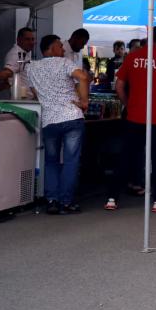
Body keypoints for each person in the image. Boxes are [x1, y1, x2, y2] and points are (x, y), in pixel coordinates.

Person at [105, 26, 156, 212]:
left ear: (148, 38)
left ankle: (112, 198)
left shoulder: (132, 57)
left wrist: (128, 104)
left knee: (126, 156)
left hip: (134, 115)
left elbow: (119, 85)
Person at [25, 35, 90, 215]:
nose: (63, 49)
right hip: (71, 118)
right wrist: (84, 101)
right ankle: (66, 202)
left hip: (49, 121)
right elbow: (83, 77)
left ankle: (52, 201)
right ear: (52, 48)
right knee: (71, 161)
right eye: (60, 46)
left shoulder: (31, 67)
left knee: (51, 161)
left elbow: (35, 93)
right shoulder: (65, 63)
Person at [3, 27, 36, 98]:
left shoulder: (25, 53)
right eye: (27, 39)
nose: (31, 42)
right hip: (21, 100)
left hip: (28, 100)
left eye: (32, 39)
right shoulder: (15, 54)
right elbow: (6, 74)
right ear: (18, 40)